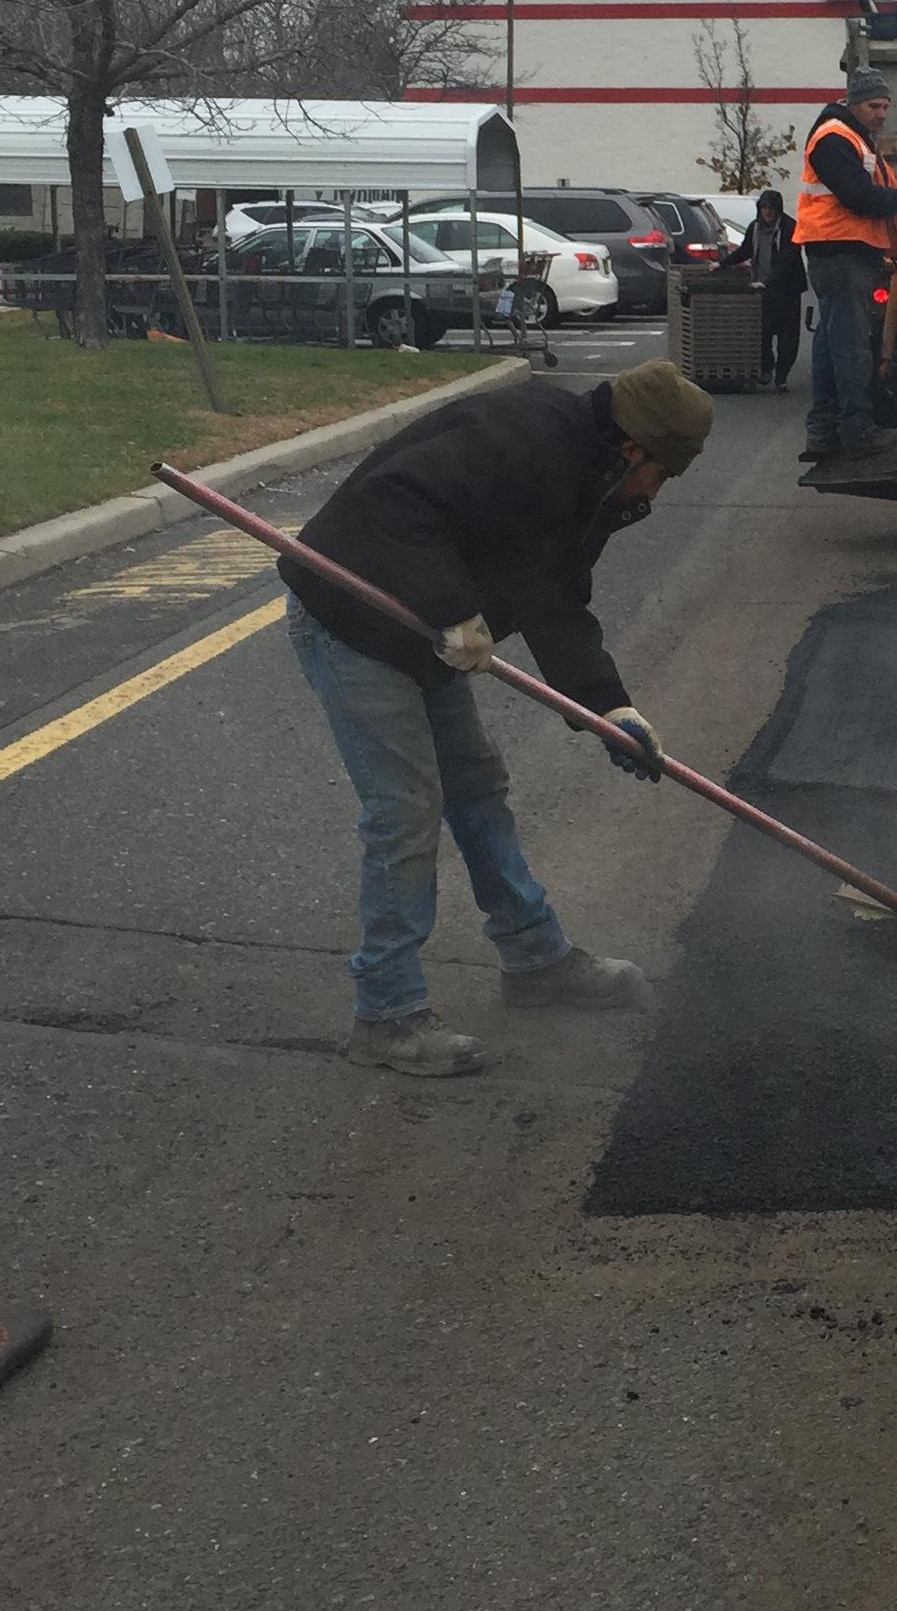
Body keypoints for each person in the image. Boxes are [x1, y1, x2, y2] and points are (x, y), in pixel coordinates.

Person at [282, 360, 715, 1078]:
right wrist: (453, 607)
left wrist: (609, 707)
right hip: (351, 618)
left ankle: (536, 960)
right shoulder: (519, 437)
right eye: (661, 474)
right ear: (634, 448)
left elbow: (555, 601)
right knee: (405, 810)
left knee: (477, 787)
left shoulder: (584, 481)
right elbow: (392, 501)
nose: (652, 494)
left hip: (422, 635)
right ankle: (386, 1013)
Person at [795, 65, 897, 463]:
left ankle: (824, 431)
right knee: (850, 346)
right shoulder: (834, 138)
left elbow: (873, 195)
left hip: (842, 252)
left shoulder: (856, 140)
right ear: (854, 103)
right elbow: (860, 197)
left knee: (831, 343)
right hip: (840, 253)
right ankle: (859, 430)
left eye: (886, 106)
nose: (882, 114)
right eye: (874, 105)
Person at [746, 187, 804, 390]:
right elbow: (745, 250)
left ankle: (782, 376)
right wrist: (723, 263)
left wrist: (769, 281)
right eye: (764, 208)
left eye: (771, 208)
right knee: (763, 332)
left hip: (788, 290)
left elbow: (787, 260)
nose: (767, 212)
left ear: (778, 209)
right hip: (764, 291)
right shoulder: (755, 228)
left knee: (788, 337)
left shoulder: (791, 228)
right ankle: (766, 369)